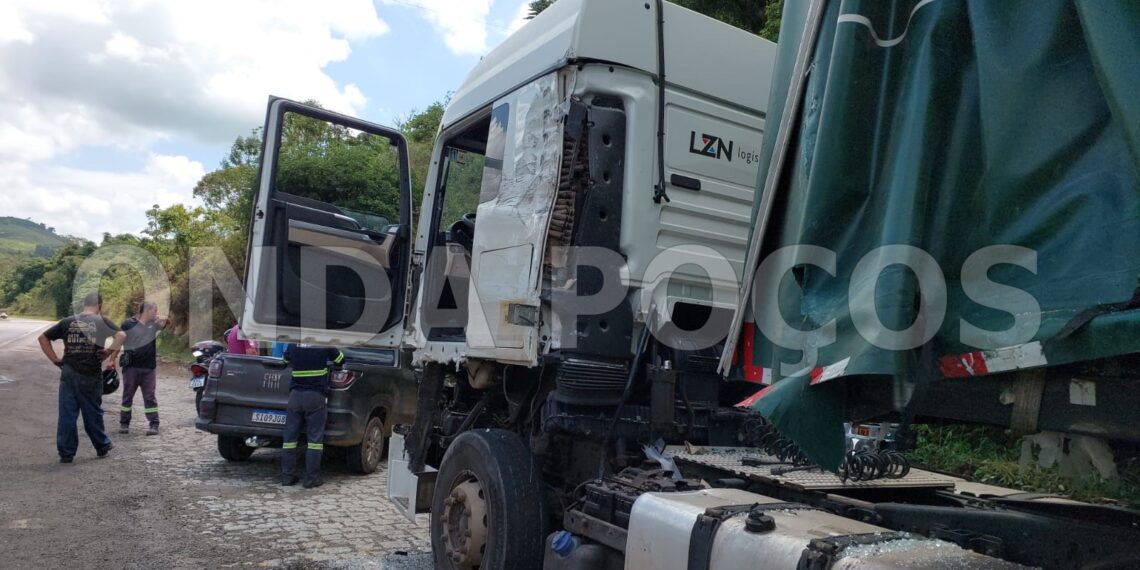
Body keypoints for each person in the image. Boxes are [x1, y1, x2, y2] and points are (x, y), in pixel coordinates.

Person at [37, 292, 125, 463]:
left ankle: (66, 453)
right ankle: (102, 445)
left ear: (84, 304)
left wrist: (55, 359)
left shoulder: (67, 321)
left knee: (67, 414)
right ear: (100, 305)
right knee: (92, 411)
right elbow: (121, 335)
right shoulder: (102, 321)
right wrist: (108, 351)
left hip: (68, 372)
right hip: (91, 374)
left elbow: (43, 338)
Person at [280, 343, 345, 488]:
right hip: (315, 396)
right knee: (315, 440)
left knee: (289, 439)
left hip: (295, 396)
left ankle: (287, 477)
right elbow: (340, 359)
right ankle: (311, 479)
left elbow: (284, 360)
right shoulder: (323, 342)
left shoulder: (294, 343)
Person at [119, 301, 168, 436]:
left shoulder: (154, 324)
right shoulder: (128, 324)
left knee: (150, 397)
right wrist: (112, 359)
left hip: (149, 368)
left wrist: (161, 318)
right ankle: (124, 423)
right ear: (146, 310)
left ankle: (154, 424)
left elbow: (166, 321)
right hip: (131, 367)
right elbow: (119, 340)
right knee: (127, 396)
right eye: (154, 310)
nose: (156, 313)